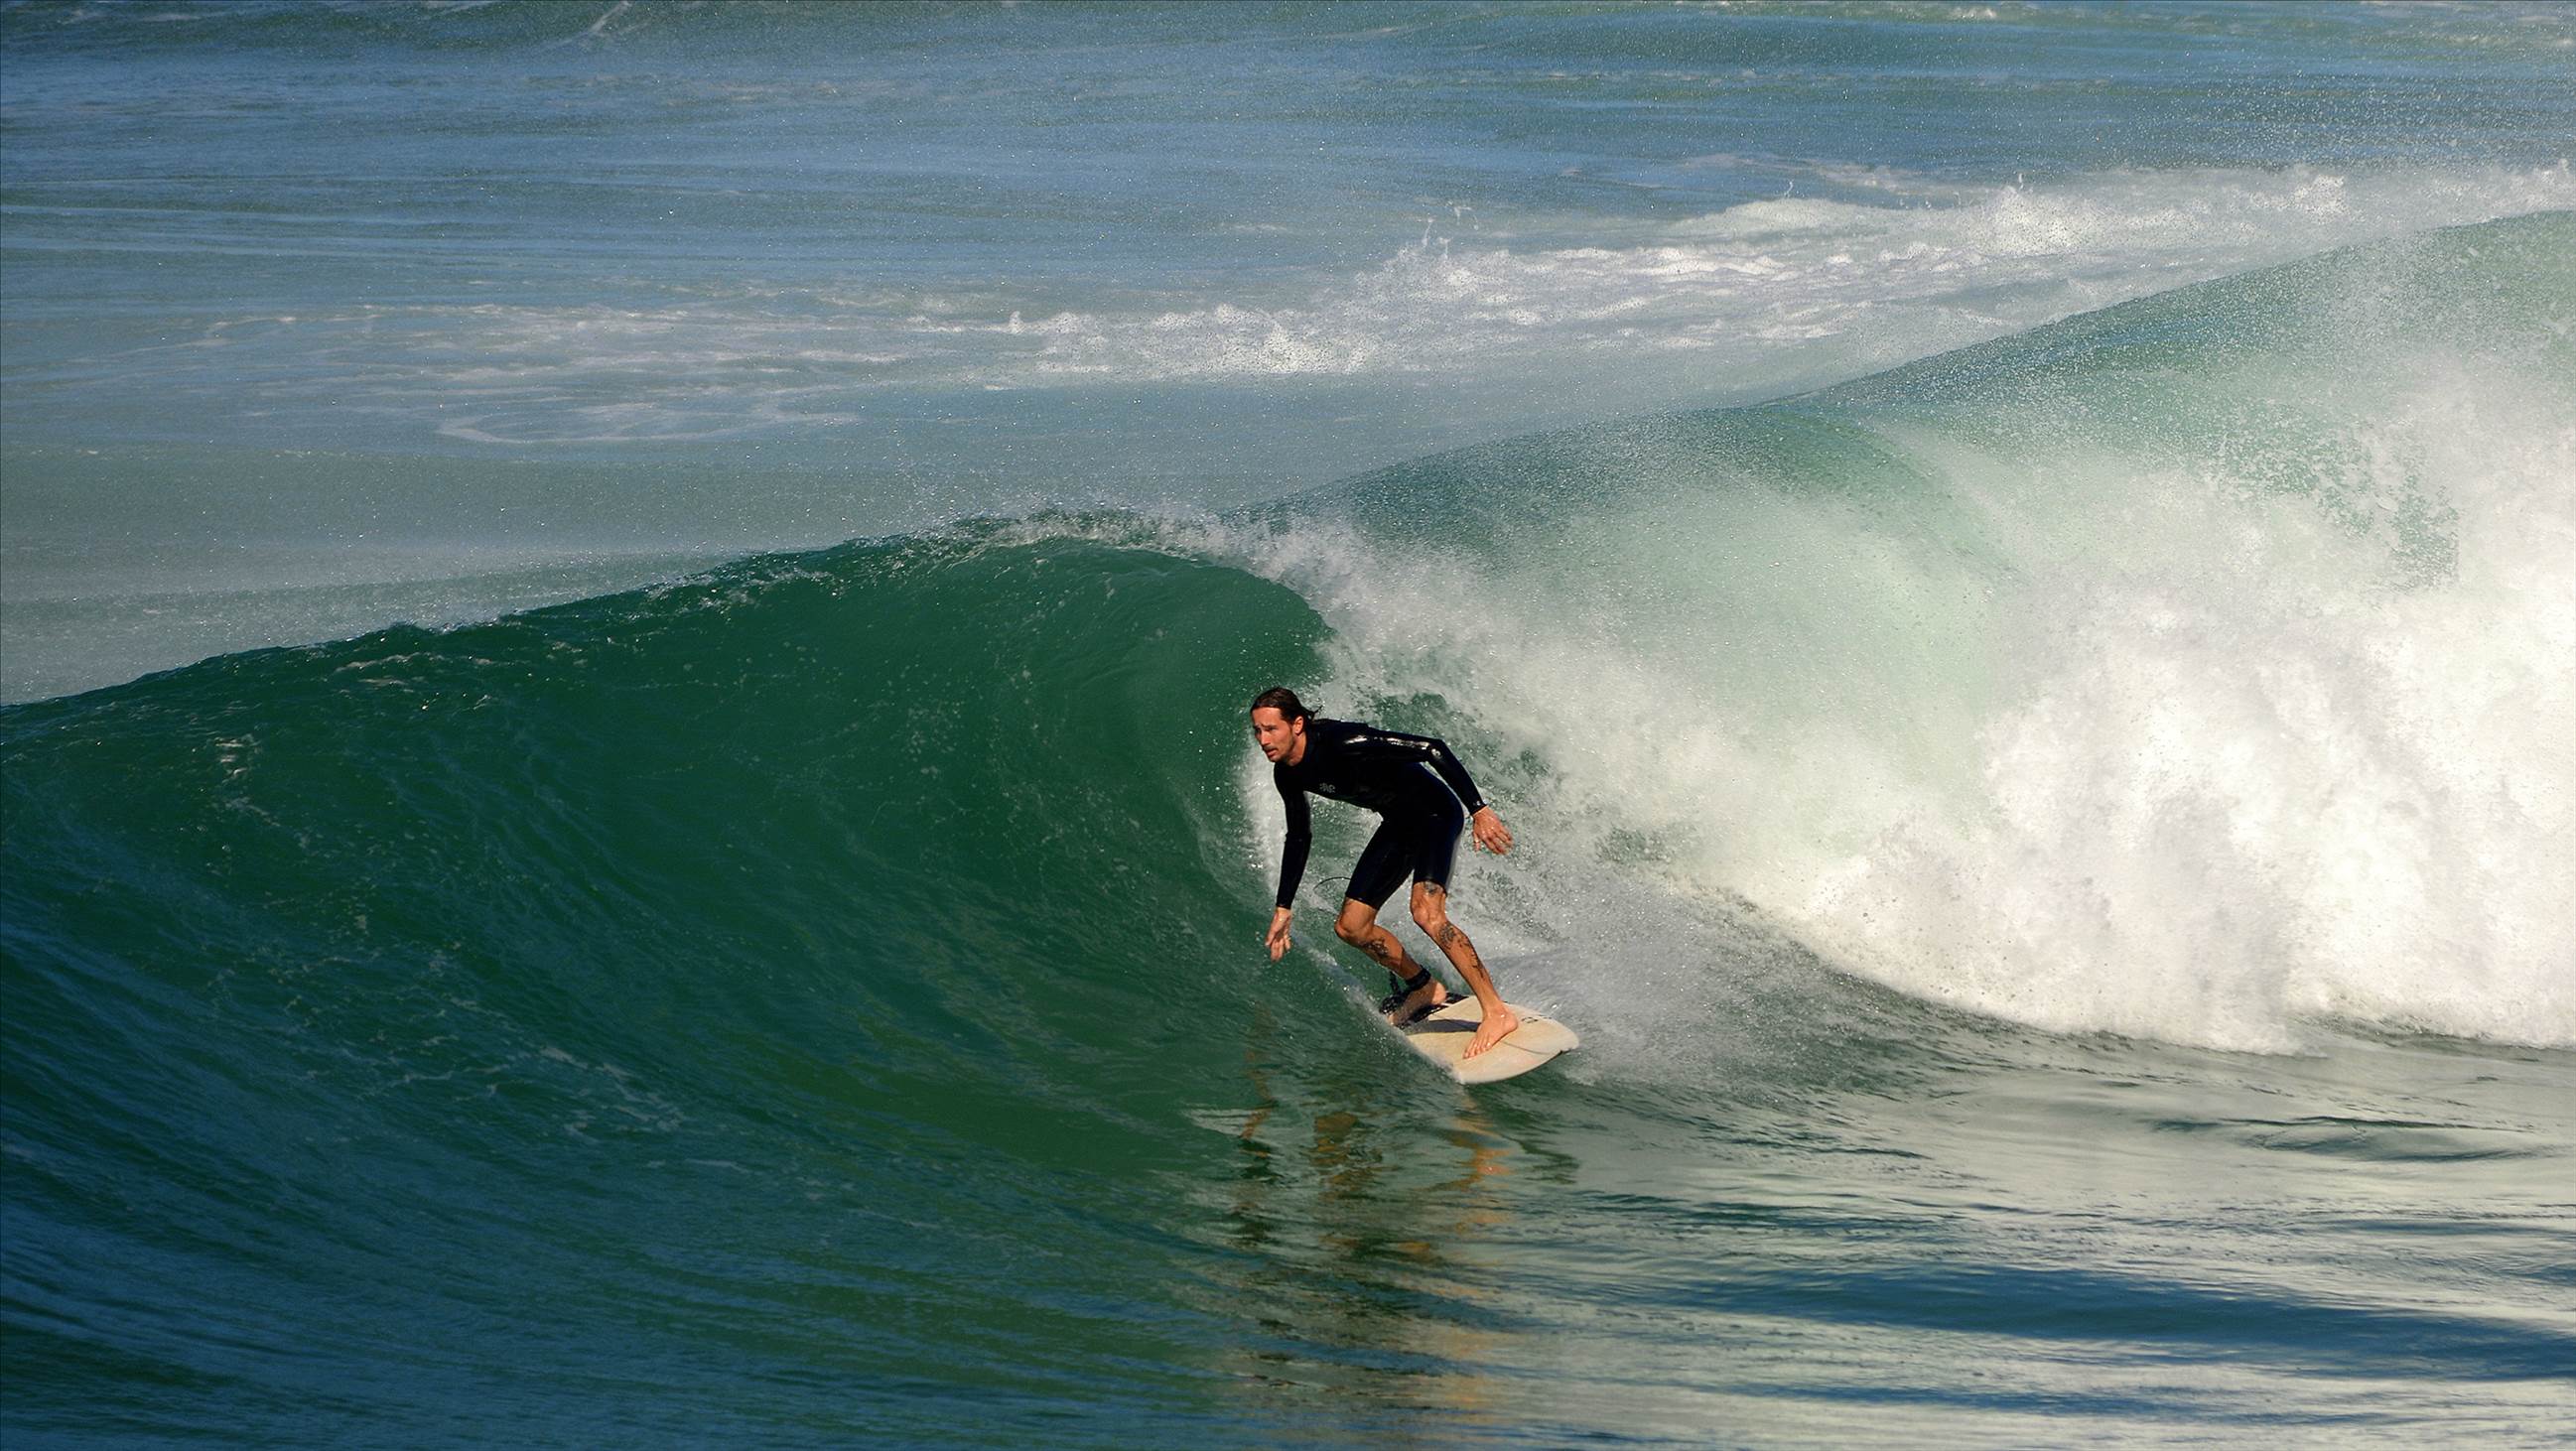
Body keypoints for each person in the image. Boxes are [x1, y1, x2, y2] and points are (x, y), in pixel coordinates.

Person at [1249, 686, 1521, 1058]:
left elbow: (1432, 748)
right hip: (1399, 822)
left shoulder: (1344, 741)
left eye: (1270, 729)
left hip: (1435, 813)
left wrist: (1479, 809)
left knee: (1427, 913)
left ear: (1297, 724)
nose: (1263, 740)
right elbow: (1299, 835)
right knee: (1351, 927)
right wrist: (1284, 906)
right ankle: (1423, 987)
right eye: (1257, 732)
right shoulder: (1288, 774)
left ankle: (1496, 1011)